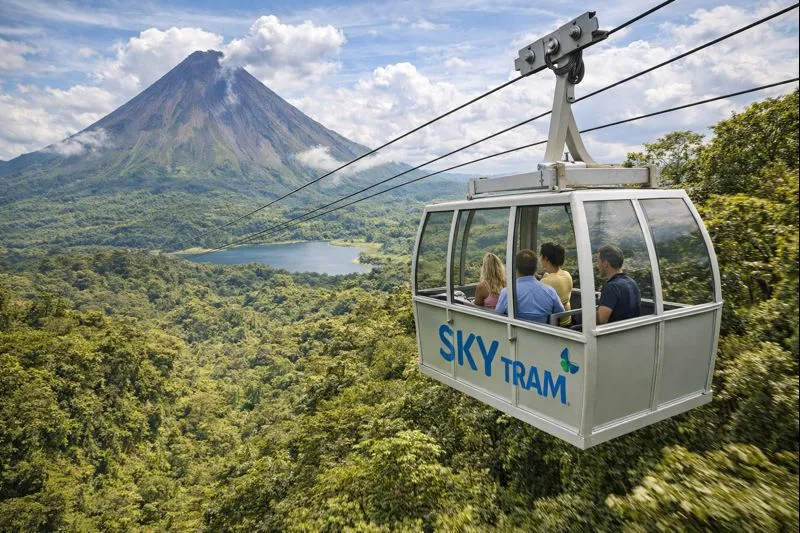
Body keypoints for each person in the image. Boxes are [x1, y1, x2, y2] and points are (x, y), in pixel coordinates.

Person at [496, 249, 564, 323]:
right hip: (542, 333)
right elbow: (560, 313)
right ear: (535, 269)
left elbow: (499, 316)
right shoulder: (550, 292)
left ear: (515, 268)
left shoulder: (507, 292)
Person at [596, 245, 641, 324]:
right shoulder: (632, 283)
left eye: (598, 262)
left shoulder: (611, 287)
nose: (598, 266)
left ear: (606, 264)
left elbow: (602, 320)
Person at [539, 242, 573, 326]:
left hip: (555, 325)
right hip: (567, 321)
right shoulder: (567, 274)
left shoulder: (546, 282)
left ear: (546, 258)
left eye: (541, 256)